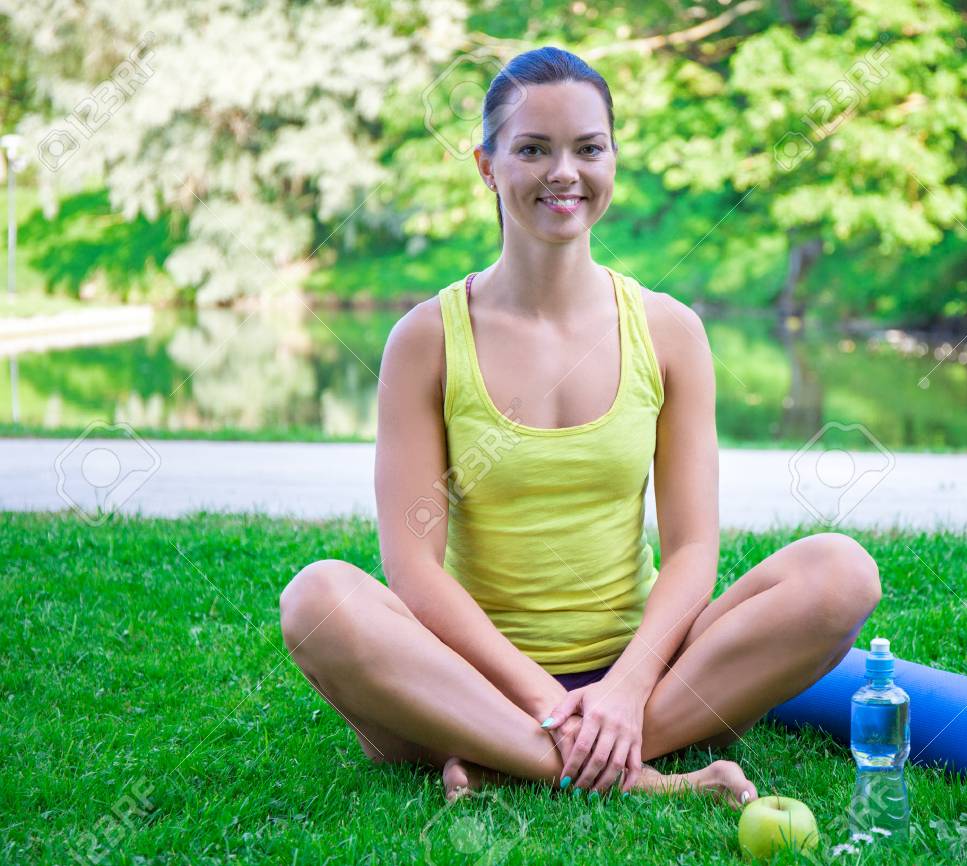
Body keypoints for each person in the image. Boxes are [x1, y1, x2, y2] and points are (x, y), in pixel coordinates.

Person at [278, 46, 881, 809]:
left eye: (587, 148)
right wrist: (543, 698)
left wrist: (626, 687)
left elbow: (693, 548)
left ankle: (513, 760)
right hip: (467, 679)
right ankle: (640, 772)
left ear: (612, 161)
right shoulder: (426, 339)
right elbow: (414, 568)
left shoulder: (670, 332)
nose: (564, 172)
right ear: (488, 167)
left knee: (841, 573)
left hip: (643, 671)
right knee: (316, 599)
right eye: (533, 149)